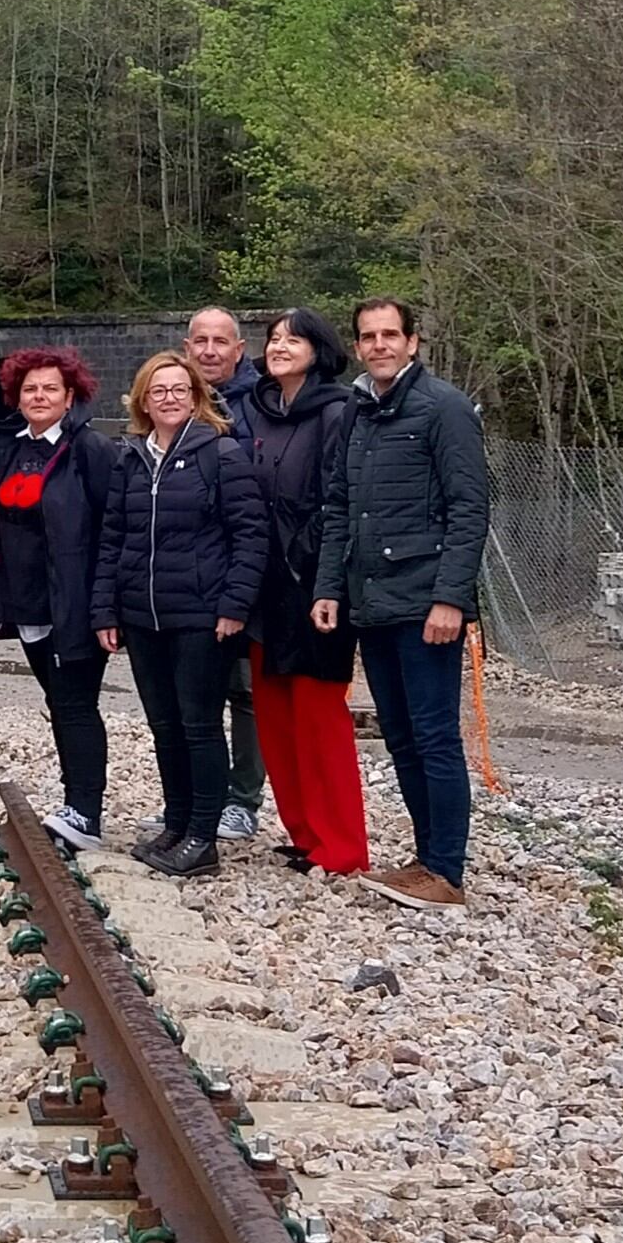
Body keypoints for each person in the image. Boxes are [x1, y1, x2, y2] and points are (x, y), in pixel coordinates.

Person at [312, 298, 489, 911]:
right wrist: (329, 587)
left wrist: (450, 599)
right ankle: (425, 858)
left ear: (412, 342)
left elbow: (469, 509)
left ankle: (447, 871)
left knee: (435, 737)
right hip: (373, 602)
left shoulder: (444, 408)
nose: (380, 345)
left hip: (425, 603)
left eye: (391, 334)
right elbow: (340, 507)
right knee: (403, 738)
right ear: (358, 346)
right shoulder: (358, 411)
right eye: (369, 336)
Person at [91, 351, 266, 878]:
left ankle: (202, 837)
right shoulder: (130, 459)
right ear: (144, 401)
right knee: (164, 726)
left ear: (195, 397)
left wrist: (234, 605)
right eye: (158, 390)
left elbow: (250, 536)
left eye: (178, 389)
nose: (169, 398)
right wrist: (105, 608)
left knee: (199, 726)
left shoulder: (222, 454)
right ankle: (177, 821)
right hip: (143, 616)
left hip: (200, 615)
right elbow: (113, 538)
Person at [0, 346, 115, 852]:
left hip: (74, 604)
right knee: (57, 702)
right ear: (17, 398)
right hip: (27, 605)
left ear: (70, 396)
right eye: (30, 389)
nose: (39, 397)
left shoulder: (91, 450)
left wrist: (105, 604)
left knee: (76, 704)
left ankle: (85, 812)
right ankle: (74, 803)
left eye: (50, 389)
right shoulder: (15, 449)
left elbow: (113, 530)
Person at [243, 310, 367, 876]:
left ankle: (342, 846)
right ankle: (305, 833)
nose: (279, 346)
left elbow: (339, 502)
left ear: (318, 350)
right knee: (275, 715)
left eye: (292, 339)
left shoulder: (338, 411)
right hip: (264, 583)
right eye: (273, 338)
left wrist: (319, 572)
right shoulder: (260, 412)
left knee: (318, 715)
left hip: (313, 581)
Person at [185, 305, 269, 842]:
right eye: (201, 341)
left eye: (221, 342)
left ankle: (242, 799)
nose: (210, 351)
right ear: (187, 347)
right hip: (186, 571)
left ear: (239, 350)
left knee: (244, 692)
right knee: (191, 694)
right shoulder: (173, 398)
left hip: (240, 564)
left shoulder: (260, 403)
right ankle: (197, 799)